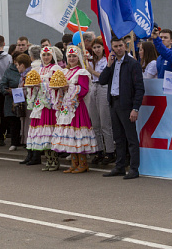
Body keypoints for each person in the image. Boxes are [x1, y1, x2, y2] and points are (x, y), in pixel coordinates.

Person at [99, 37, 144, 180]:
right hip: (114, 102)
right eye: (115, 46)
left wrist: (135, 108)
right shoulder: (112, 63)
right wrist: (108, 65)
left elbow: (139, 88)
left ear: (125, 46)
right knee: (118, 138)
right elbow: (102, 80)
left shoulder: (132, 64)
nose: (118, 49)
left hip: (127, 104)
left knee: (131, 138)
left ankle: (134, 168)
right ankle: (120, 166)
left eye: (120, 46)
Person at [51, 46, 98, 173]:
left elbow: (84, 89)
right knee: (69, 134)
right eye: (69, 56)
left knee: (77, 133)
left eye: (74, 56)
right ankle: (74, 163)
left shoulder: (81, 72)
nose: (71, 59)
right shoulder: (64, 72)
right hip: (65, 107)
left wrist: (69, 87)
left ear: (79, 58)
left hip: (77, 106)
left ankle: (83, 163)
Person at [23, 46, 62, 169]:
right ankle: (49, 160)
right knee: (42, 134)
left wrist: (42, 85)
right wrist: (33, 86)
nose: (46, 57)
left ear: (52, 56)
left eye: (48, 55)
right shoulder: (38, 70)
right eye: (44, 55)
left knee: (49, 132)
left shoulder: (56, 69)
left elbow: (57, 85)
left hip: (50, 104)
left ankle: (54, 160)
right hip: (40, 104)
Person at [83, 38, 114, 166]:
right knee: (95, 123)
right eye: (94, 47)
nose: (96, 50)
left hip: (103, 87)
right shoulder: (92, 61)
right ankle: (99, 150)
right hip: (94, 87)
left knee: (105, 122)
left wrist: (91, 71)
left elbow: (103, 76)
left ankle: (110, 151)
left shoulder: (107, 60)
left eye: (99, 47)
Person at [0, 48, 24, 151]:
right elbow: (2, 84)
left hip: (24, 99)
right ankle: (14, 142)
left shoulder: (27, 70)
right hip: (11, 100)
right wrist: (7, 91)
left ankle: (24, 141)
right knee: (13, 122)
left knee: (23, 122)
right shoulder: (9, 70)